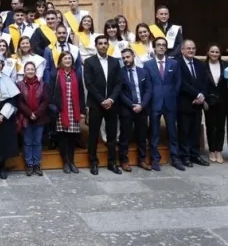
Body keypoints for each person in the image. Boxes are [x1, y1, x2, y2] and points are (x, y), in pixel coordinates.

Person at [84, 36, 122, 175]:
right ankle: (93, 162)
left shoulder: (115, 62)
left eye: (105, 43)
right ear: (96, 46)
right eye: (100, 43)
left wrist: (111, 99)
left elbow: (119, 83)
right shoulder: (89, 62)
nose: (103, 45)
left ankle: (112, 162)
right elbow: (89, 84)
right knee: (93, 135)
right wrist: (102, 100)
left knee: (112, 135)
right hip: (96, 104)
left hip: (112, 104)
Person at [143, 37, 183, 171]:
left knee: (172, 131)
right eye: (158, 45)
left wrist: (172, 95)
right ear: (154, 48)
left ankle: (175, 157)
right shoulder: (148, 65)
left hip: (170, 102)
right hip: (155, 102)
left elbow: (178, 82)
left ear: (166, 48)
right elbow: (147, 85)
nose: (161, 47)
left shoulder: (174, 64)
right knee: (154, 132)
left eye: (163, 45)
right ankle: (155, 159)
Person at [47, 51, 84, 174]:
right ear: (61, 61)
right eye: (65, 58)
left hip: (74, 110)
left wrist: (82, 110)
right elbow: (50, 93)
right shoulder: (55, 74)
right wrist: (53, 107)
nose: (68, 60)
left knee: (72, 137)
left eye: (69, 58)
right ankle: (66, 162)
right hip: (61, 110)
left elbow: (81, 93)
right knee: (62, 137)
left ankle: (72, 162)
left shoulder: (77, 74)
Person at [177, 40, 210, 167]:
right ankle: (185, 156)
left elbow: (205, 82)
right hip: (184, 103)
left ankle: (195, 155)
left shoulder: (199, 64)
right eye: (188, 48)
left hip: (198, 104)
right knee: (184, 131)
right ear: (182, 50)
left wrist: (202, 95)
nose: (191, 50)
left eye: (193, 48)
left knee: (196, 131)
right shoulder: (177, 64)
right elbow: (182, 83)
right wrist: (197, 95)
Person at [118, 48, 152, 171]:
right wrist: (132, 105)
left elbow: (148, 90)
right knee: (125, 136)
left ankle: (142, 160)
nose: (126, 60)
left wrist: (142, 105)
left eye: (128, 57)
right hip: (127, 108)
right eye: (123, 58)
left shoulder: (143, 72)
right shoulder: (119, 73)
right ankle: (124, 160)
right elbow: (120, 92)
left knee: (142, 135)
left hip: (142, 108)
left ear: (133, 56)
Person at [16, 61, 50, 176]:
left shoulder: (42, 84)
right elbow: (19, 102)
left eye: (32, 69)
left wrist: (37, 114)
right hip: (25, 118)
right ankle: (29, 164)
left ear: (35, 71)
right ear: (24, 72)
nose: (30, 71)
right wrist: (30, 113)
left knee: (37, 142)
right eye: (28, 69)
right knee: (27, 142)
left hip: (39, 118)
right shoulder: (19, 85)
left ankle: (36, 164)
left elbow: (46, 101)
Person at [204, 44, 228, 164]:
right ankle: (211, 150)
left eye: (217, 52)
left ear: (220, 54)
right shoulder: (203, 66)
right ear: (208, 53)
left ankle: (219, 150)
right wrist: (204, 100)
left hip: (222, 100)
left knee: (220, 126)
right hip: (209, 100)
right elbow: (201, 84)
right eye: (212, 52)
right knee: (210, 126)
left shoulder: (226, 65)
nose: (214, 54)